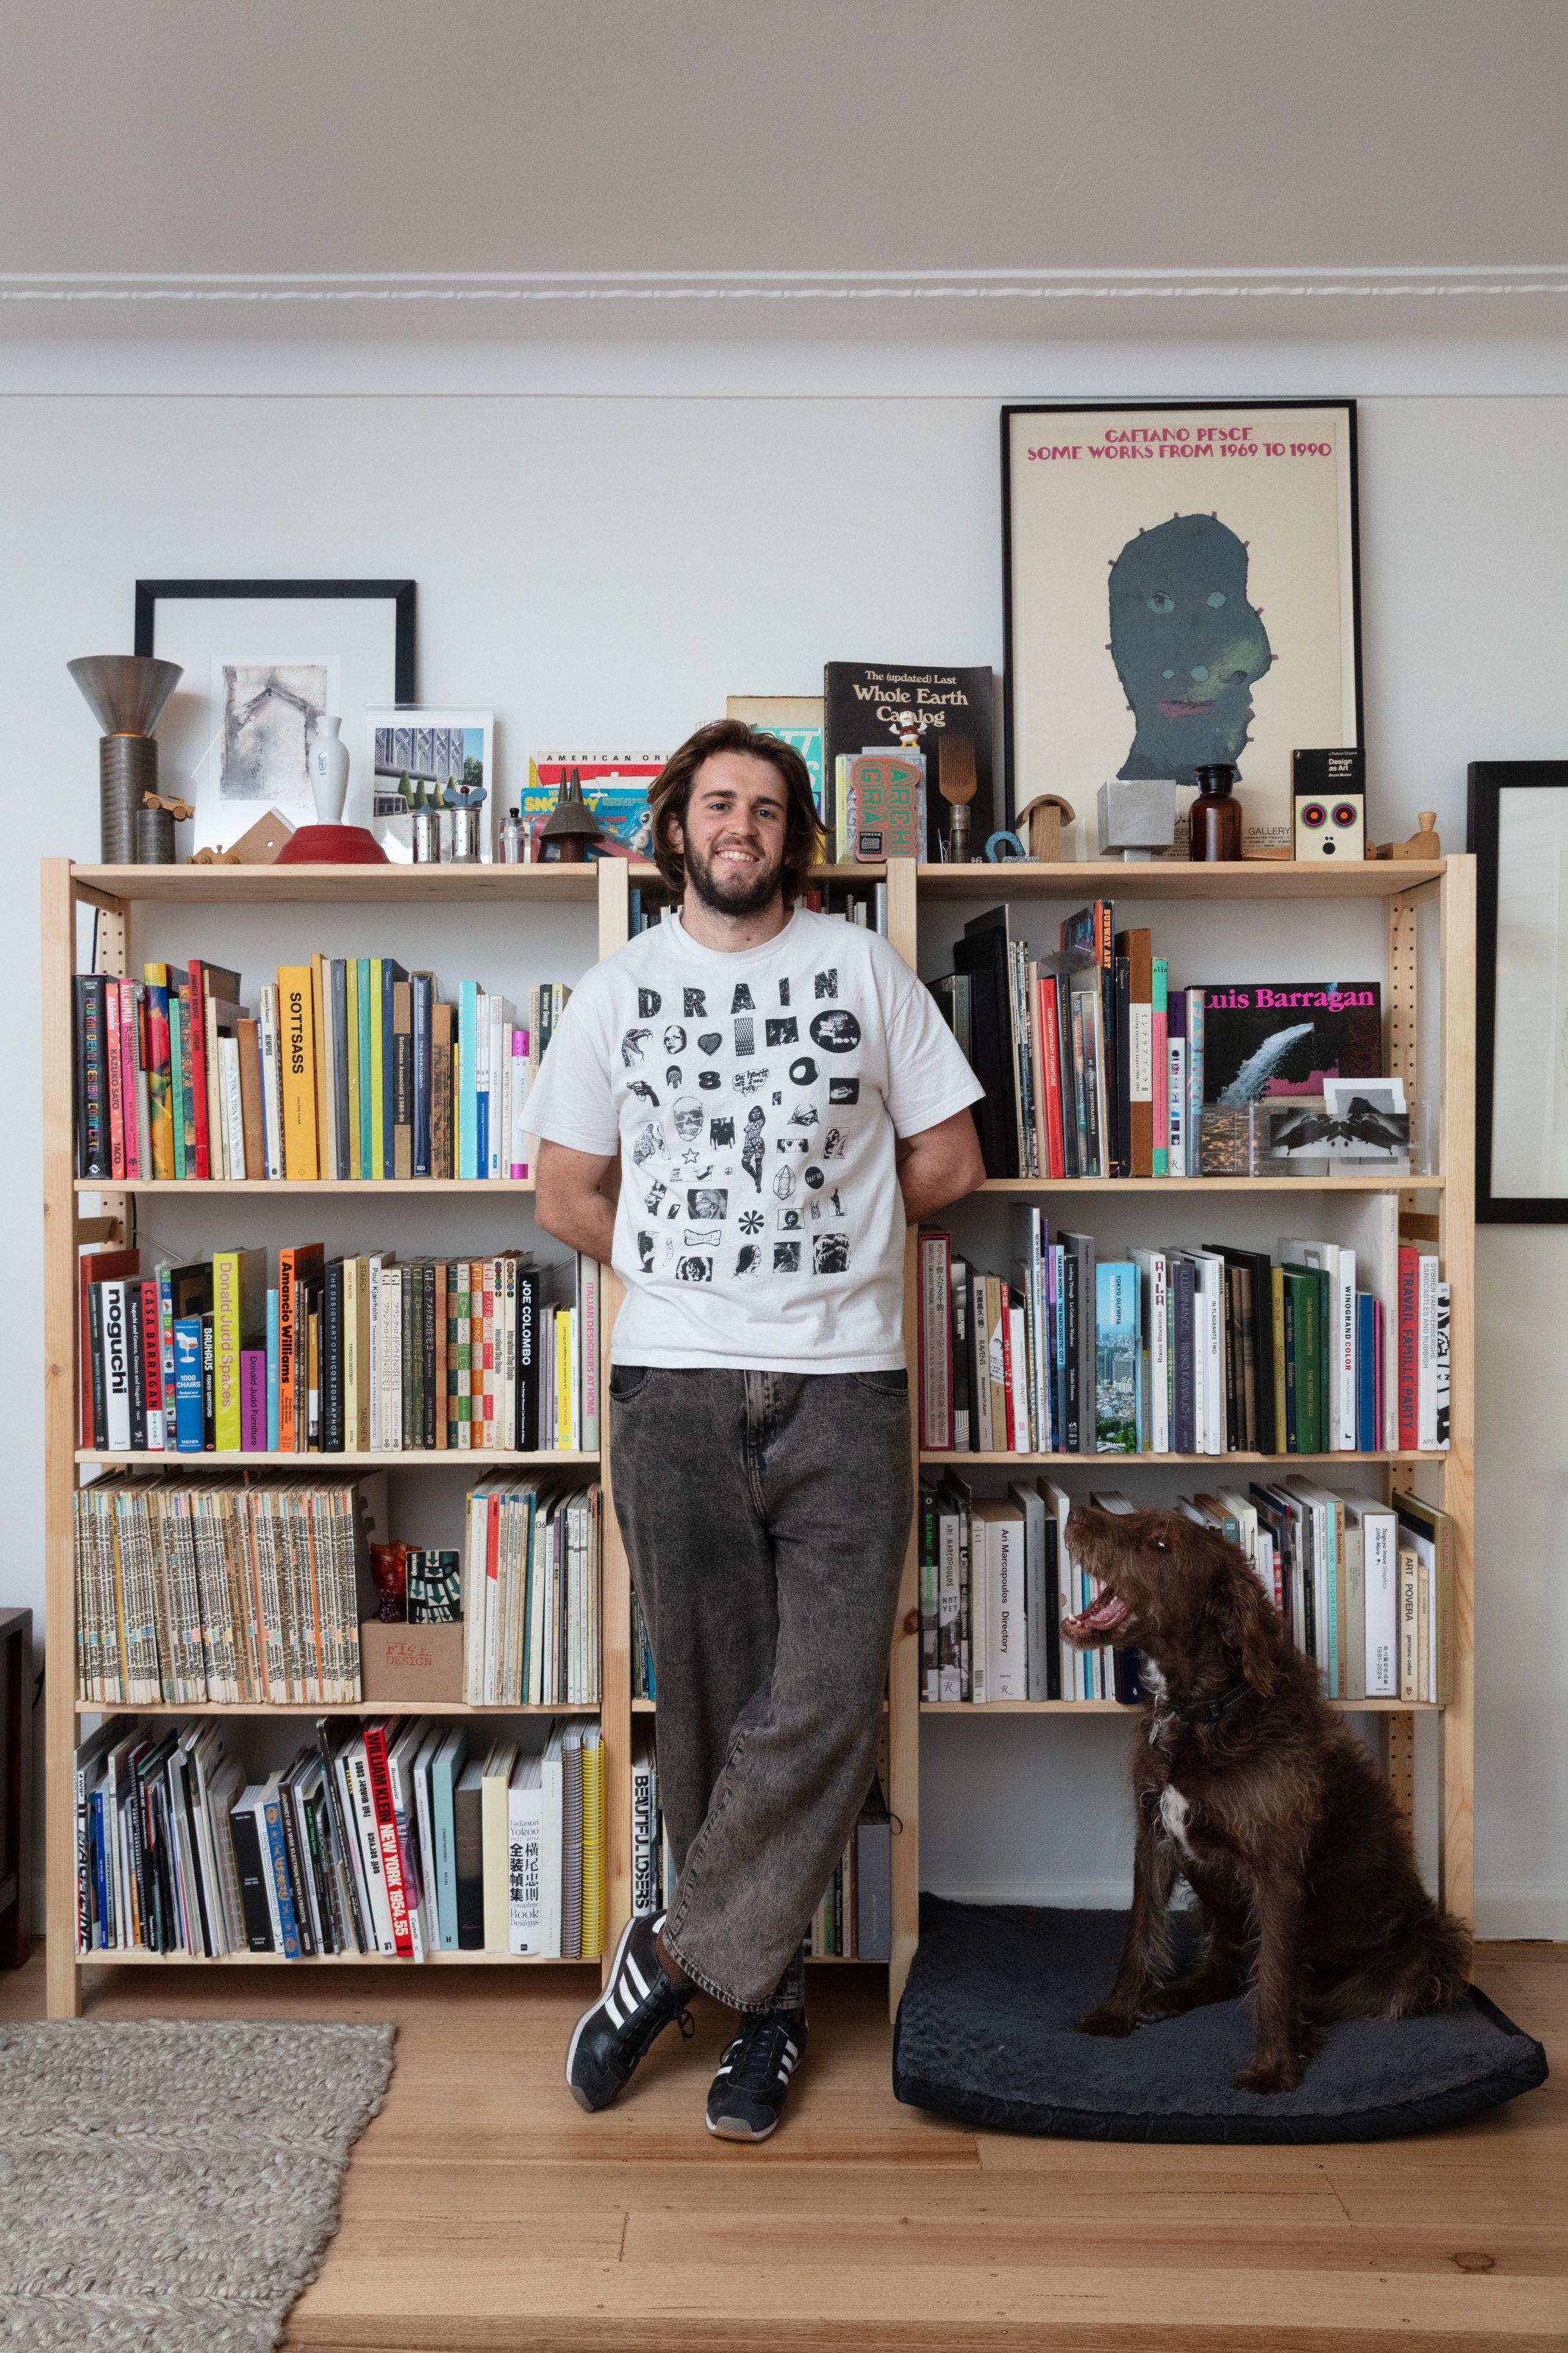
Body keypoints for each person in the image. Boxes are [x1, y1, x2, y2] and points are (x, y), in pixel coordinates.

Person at [527, 717, 984, 2142]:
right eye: (718, 805)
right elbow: (565, 1192)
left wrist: (826, 1248)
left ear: (793, 838)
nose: (743, 827)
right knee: (716, 1710)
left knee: (833, 1691)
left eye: (768, 810)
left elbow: (949, 1158)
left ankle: (664, 1959)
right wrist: (694, 1272)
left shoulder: (860, 968)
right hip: (671, 1382)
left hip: (845, 1382)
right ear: (675, 829)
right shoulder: (617, 992)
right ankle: (764, 2015)